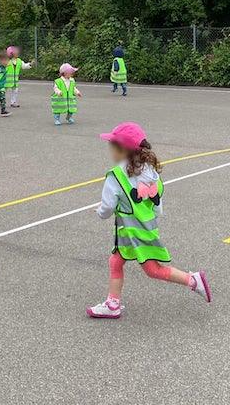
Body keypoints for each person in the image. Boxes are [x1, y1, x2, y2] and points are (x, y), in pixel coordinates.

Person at [87, 122, 211, 319]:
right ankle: (113, 303)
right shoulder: (150, 171)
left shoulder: (116, 175)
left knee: (153, 270)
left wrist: (100, 213)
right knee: (116, 261)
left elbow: (108, 206)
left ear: (122, 149)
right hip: (145, 228)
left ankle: (193, 280)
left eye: (111, 145)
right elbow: (157, 199)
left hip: (130, 231)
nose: (109, 149)